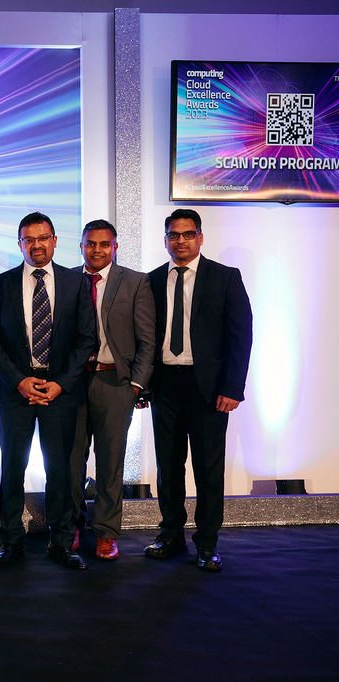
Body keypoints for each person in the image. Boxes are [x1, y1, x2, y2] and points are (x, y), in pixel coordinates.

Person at [0, 211, 96, 570]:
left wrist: (60, 383)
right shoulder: (1, 284)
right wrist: (19, 380)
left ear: (55, 241)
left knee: (60, 471)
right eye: (28, 239)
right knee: (12, 468)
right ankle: (10, 542)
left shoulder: (76, 283)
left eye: (42, 238)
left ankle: (61, 543)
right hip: (16, 390)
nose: (36, 245)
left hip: (60, 391)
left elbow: (86, 339)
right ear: (20, 244)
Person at [144, 208, 252, 572]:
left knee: (208, 469)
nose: (181, 241)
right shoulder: (151, 280)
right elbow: (144, 336)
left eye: (188, 234)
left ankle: (207, 543)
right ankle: (170, 535)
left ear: (200, 237)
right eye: (174, 235)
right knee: (168, 468)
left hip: (209, 389)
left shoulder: (225, 278)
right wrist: (143, 384)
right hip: (165, 386)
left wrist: (232, 387)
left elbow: (241, 336)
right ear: (165, 240)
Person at [68, 219, 155, 561]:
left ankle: (106, 533)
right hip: (72, 384)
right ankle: (72, 526)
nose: (97, 250)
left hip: (115, 383)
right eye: (91, 243)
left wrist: (135, 385)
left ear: (115, 247)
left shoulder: (135, 282)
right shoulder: (67, 280)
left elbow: (147, 339)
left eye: (105, 244)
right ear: (81, 246)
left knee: (111, 462)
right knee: (70, 460)